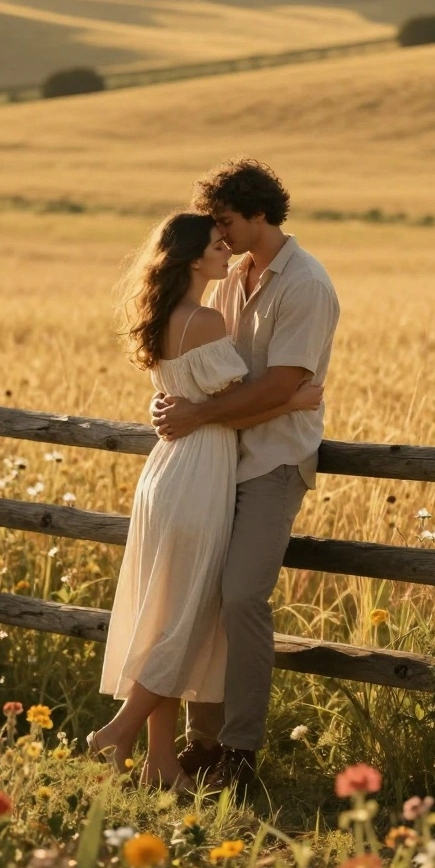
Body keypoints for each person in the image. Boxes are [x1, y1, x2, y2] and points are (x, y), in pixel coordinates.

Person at [88, 210, 323, 791]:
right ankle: (115, 732)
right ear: (196, 259)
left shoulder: (167, 315)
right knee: (185, 621)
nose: (227, 253)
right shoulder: (208, 320)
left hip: (168, 471)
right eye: (218, 246)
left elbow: (190, 395)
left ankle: (161, 764)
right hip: (198, 474)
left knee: (165, 614)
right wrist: (295, 404)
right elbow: (238, 402)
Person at [152, 159, 339, 795]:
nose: (219, 233)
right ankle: (201, 742)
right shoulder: (232, 278)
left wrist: (195, 412)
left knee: (240, 599)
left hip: (273, 463)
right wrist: (176, 402)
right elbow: (206, 363)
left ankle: (240, 749)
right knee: (202, 596)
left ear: (258, 213)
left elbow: (286, 384)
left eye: (226, 221)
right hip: (217, 460)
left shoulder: (305, 285)